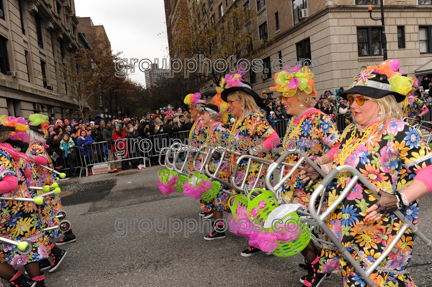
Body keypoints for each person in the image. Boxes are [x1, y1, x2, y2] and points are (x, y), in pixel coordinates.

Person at [305, 60, 432, 286]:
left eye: (361, 99)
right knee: (354, 278)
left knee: (381, 279)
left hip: (382, 226)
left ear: (382, 103)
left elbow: (429, 170)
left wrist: (401, 198)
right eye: (350, 99)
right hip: (348, 223)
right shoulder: (352, 131)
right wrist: (321, 168)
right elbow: (341, 154)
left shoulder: (399, 130)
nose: (352, 105)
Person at [269, 66, 340, 286]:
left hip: (311, 186)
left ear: (301, 98)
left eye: (287, 97)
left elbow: (338, 146)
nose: (283, 102)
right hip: (292, 185)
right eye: (282, 98)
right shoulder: (294, 121)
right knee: (297, 227)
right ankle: (317, 262)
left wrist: (319, 162)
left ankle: (317, 263)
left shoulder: (319, 118)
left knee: (293, 226)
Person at [220, 70, 280, 257]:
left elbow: (274, 139)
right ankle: (258, 240)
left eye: (231, 102)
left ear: (243, 100)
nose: (228, 106)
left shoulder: (255, 118)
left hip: (254, 174)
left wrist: (251, 152)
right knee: (247, 208)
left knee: (256, 208)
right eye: (227, 102)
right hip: (241, 174)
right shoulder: (239, 120)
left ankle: (265, 242)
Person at [0, 121, 49, 286]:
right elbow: (27, 174)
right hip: (22, 205)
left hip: (9, 211)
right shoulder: (9, 151)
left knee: (24, 247)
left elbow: (10, 182)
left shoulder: (1, 153)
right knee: (28, 247)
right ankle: (36, 283)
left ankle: (23, 283)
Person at [26, 114, 77, 247]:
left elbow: (42, 160)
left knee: (54, 210)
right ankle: (63, 233)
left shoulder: (36, 147)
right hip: (45, 183)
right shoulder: (37, 146)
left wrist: (27, 156)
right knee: (53, 210)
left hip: (46, 183)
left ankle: (68, 233)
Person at [200, 96, 231, 240]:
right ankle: (219, 228)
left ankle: (255, 232)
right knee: (214, 200)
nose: (201, 117)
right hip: (212, 170)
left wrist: (217, 154)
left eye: (203, 114)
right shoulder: (211, 129)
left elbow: (229, 149)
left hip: (221, 171)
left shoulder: (220, 129)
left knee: (223, 201)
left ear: (212, 116)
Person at [183, 92, 210, 218]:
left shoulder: (201, 122)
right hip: (196, 156)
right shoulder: (196, 122)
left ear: (198, 110)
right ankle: (205, 207)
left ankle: (208, 208)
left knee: (202, 182)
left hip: (201, 157)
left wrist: (199, 148)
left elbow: (206, 138)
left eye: (191, 110)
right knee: (199, 182)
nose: (189, 112)